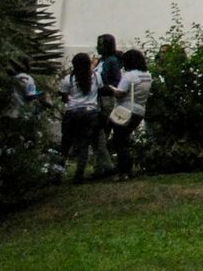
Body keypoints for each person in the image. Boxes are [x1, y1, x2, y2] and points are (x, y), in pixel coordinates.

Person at [106, 48, 152, 181]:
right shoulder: (147, 75)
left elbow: (120, 92)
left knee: (120, 142)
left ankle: (122, 171)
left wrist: (110, 88)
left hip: (125, 110)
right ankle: (127, 170)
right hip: (139, 111)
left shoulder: (129, 75)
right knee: (125, 140)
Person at [57, 53, 103, 182]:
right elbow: (100, 91)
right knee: (84, 144)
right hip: (90, 112)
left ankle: (57, 172)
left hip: (72, 112)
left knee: (66, 144)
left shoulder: (68, 79)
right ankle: (79, 174)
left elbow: (65, 98)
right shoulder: (96, 76)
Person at [93, 34, 122, 177]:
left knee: (101, 132)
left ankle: (106, 165)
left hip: (107, 99)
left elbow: (116, 81)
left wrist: (106, 87)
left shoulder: (112, 61)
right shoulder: (101, 60)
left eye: (100, 44)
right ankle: (101, 166)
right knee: (99, 134)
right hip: (98, 99)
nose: (98, 47)